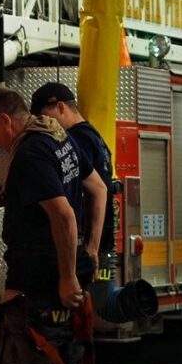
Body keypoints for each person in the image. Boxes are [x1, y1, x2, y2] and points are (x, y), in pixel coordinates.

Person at [0, 87, 107, 364]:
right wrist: (91, 250)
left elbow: (63, 215)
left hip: (39, 284)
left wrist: (67, 277)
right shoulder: (60, 138)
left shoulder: (31, 153)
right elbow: (99, 189)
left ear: (6, 121)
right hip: (59, 279)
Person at [31, 82, 114, 264]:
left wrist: (91, 248)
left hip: (88, 249)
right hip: (101, 246)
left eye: (45, 118)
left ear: (60, 107)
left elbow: (98, 191)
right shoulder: (94, 136)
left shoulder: (76, 140)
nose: (46, 125)